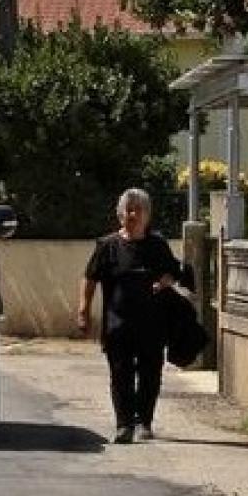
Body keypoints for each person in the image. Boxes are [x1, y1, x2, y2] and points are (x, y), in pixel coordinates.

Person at [77, 188, 181, 444]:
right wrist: (83, 311)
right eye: (129, 209)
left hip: (152, 324)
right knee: (120, 373)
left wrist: (165, 281)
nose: (133, 214)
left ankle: (144, 421)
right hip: (117, 324)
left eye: (139, 210)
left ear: (147, 215)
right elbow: (90, 278)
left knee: (150, 374)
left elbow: (172, 272)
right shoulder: (108, 246)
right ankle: (124, 425)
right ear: (120, 214)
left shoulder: (157, 245)